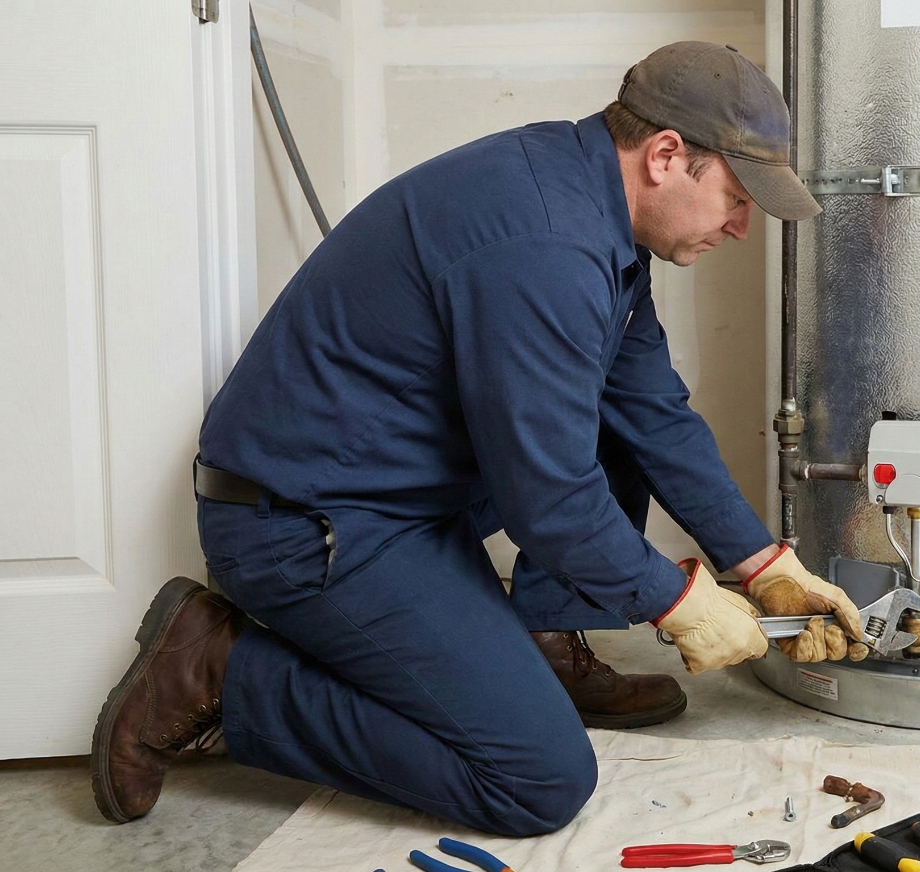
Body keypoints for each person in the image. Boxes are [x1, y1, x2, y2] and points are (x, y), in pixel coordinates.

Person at [89, 41, 864, 836]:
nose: (741, 227)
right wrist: (677, 601)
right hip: (301, 528)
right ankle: (218, 672)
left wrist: (764, 565)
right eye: (737, 198)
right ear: (667, 155)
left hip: (395, 498)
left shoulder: (590, 208)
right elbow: (553, 501)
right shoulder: (547, 246)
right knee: (538, 780)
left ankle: (542, 649)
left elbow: (651, 410)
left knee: (614, 422)